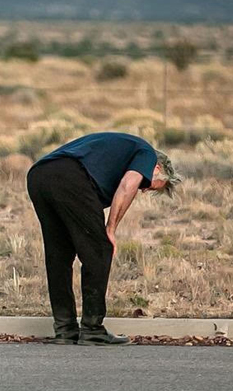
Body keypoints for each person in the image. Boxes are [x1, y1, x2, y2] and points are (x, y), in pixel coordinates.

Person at [26, 132, 181, 345]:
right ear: (157, 168)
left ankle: (65, 330)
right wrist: (110, 229)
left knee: (59, 255)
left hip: (39, 175)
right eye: (149, 185)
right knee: (100, 249)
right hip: (69, 176)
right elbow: (128, 185)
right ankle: (92, 329)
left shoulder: (120, 152)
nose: (144, 190)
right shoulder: (147, 154)